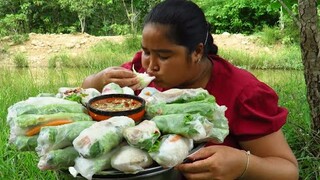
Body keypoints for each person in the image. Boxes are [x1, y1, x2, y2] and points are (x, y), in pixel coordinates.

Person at [82, 0, 299, 179]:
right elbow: (84, 92)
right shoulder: (139, 70)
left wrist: (243, 164)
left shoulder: (242, 92)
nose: (150, 65)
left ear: (196, 51)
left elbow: (287, 170)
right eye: (146, 51)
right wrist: (96, 80)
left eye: (164, 56)